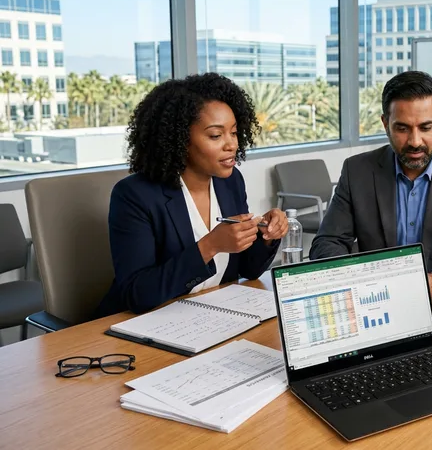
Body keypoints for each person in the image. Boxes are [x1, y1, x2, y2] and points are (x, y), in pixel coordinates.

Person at [95, 73, 288, 317]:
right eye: (216, 136)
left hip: (212, 316)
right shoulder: (135, 195)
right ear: (179, 139)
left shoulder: (230, 182)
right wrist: (210, 246)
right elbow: (138, 294)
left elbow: (248, 269)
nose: (231, 145)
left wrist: (267, 235)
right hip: (148, 324)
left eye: (234, 133)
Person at [310, 71, 432, 300]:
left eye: (426, 127)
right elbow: (327, 242)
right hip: (376, 301)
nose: (415, 141)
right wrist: (358, 279)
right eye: (402, 128)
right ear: (385, 123)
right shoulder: (357, 171)